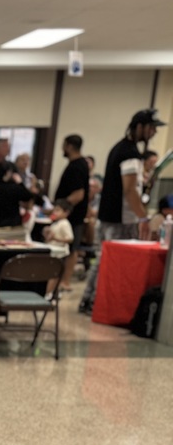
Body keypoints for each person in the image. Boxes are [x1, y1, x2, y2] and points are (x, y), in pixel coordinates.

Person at [79, 108, 165, 314]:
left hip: (108, 216)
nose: (154, 133)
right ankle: (96, 302)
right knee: (110, 262)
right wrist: (142, 217)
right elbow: (129, 189)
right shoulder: (130, 153)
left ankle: (88, 300)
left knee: (102, 260)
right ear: (140, 127)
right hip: (120, 218)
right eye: (152, 128)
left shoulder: (118, 148)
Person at [52, 134, 90, 293]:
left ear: (69, 146)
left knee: (71, 249)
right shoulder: (80, 164)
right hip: (72, 214)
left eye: (63, 145)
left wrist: (62, 208)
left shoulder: (76, 166)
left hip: (72, 217)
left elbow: (78, 194)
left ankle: (65, 281)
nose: (62, 149)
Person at [41, 199, 74, 296]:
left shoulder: (65, 223)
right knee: (50, 273)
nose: (55, 212)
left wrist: (56, 239)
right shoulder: (56, 222)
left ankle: (49, 293)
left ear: (66, 212)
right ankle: (50, 292)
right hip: (53, 252)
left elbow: (70, 238)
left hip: (60, 253)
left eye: (58, 210)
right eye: (54, 210)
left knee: (54, 274)